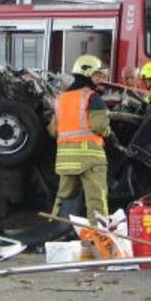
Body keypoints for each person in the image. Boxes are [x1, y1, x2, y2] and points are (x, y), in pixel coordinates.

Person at [48, 54, 114, 226]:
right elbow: (100, 127)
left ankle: (52, 233)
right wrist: (109, 131)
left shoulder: (60, 99)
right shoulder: (93, 98)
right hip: (90, 159)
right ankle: (100, 237)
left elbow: (53, 130)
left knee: (62, 200)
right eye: (97, 76)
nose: (100, 80)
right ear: (87, 74)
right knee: (96, 201)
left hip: (66, 160)